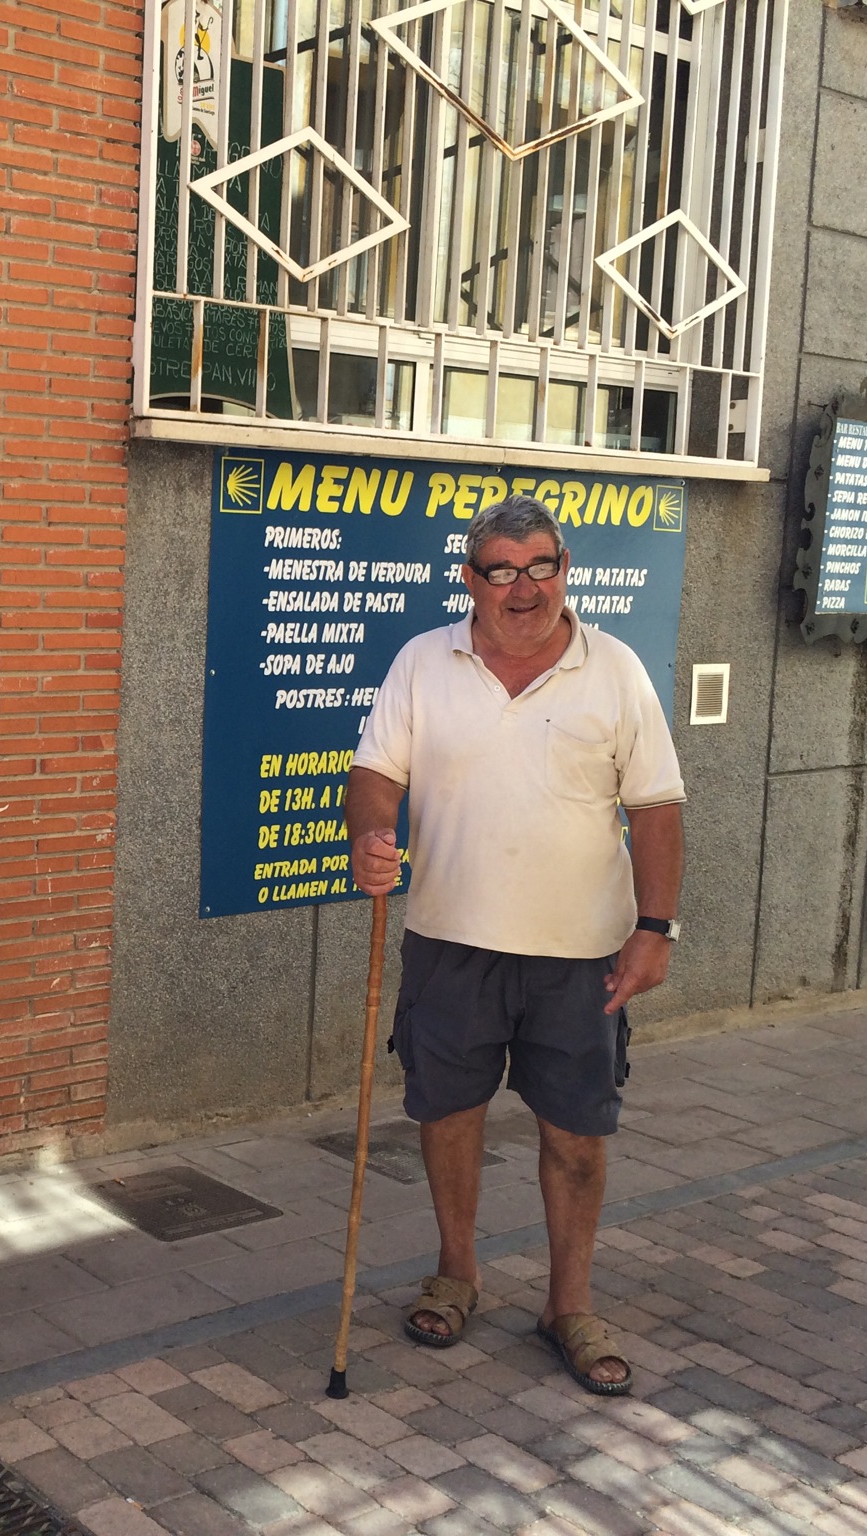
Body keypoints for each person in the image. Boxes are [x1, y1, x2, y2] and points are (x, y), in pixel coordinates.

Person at [344, 495, 685, 1397]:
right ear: (472, 579)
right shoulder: (424, 662)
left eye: (542, 567)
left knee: (577, 1134)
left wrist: (654, 929)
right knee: (448, 1116)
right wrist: (370, 834)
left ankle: (568, 1304)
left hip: (581, 954)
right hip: (449, 943)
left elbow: (656, 807)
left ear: (566, 571)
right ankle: (456, 1273)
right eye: (503, 569)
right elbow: (375, 771)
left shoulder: (615, 671)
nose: (525, 587)